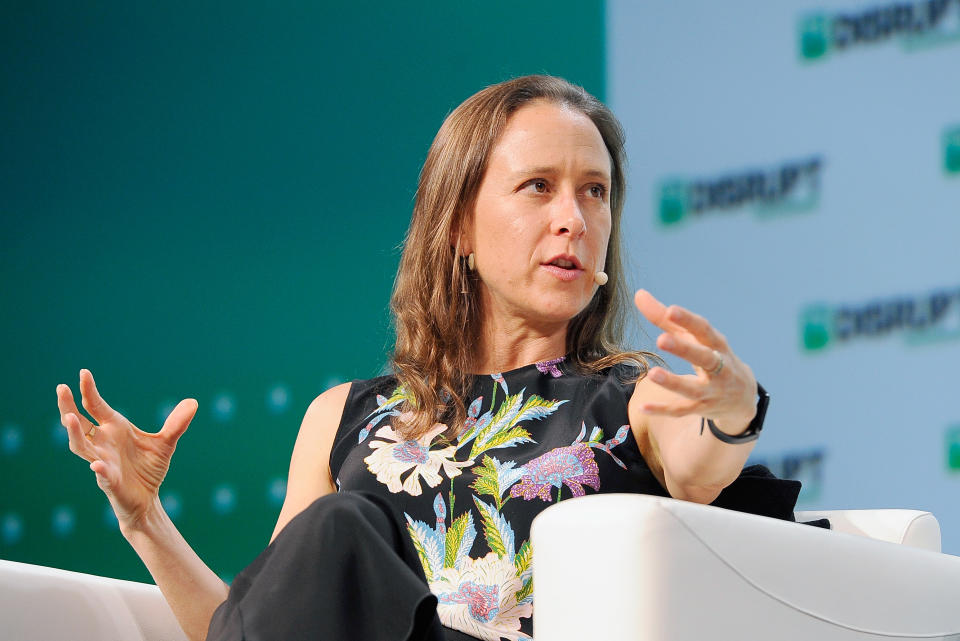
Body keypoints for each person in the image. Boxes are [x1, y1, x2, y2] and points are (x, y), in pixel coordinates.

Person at [56, 75, 792, 641]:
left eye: (595, 192)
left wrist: (732, 407)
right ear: (460, 227)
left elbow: (703, 465)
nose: (575, 217)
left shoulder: (635, 402)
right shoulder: (344, 417)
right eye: (539, 187)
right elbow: (260, 624)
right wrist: (143, 517)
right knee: (337, 532)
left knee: (340, 528)